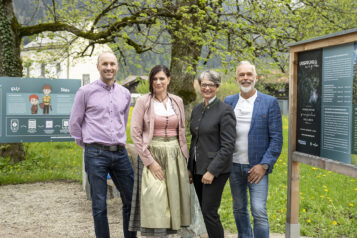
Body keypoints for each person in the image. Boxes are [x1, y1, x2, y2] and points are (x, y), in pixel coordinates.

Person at [69, 51, 137, 238]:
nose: (109, 67)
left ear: (117, 67)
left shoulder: (124, 94)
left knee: (131, 200)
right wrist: (89, 146)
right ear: (98, 67)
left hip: (120, 153)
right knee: (99, 205)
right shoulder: (85, 92)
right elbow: (74, 123)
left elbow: (122, 121)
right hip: (95, 153)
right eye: (105, 64)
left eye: (112, 64)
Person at [129, 65, 191, 237]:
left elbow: (182, 132)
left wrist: (185, 160)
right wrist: (150, 162)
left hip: (174, 156)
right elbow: (135, 133)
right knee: (155, 201)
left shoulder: (177, 101)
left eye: (162, 78)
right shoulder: (143, 101)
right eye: (155, 79)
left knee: (172, 203)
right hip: (152, 153)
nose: (158, 82)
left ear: (169, 80)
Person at [224, 61, 283, 238]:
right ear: (236, 78)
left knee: (258, 210)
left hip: (257, 168)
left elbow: (277, 139)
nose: (246, 78)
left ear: (256, 77)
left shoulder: (269, 102)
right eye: (242, 75)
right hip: (234, 166)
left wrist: (264, 165)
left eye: (249, 74)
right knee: (239, 209)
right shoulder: (229, 101)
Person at [188, 70, 236, 238]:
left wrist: (212, 171)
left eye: (210, 85)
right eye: (203, 84)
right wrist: (189, 167)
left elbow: (228, 146)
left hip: (216, 170)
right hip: (197, 168)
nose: (206, 88)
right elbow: (194, 140)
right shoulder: (197, 109)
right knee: (202, 210)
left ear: (217, 86)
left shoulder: (225, 111)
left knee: (209, 212)